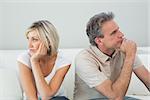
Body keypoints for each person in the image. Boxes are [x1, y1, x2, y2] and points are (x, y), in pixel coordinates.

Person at [74, 12, 150, 100]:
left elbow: (147, 79)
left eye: (118, 30)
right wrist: (129, 56)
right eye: (114, 32)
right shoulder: (84, 59)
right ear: (99, 41)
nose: (121, 34)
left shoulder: (122, 50)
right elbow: (116, 97)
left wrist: (129, 54)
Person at [17, 20, 71, 100]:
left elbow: (46, 96)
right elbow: (32, 98)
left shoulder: (63, 61)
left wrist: (34, 62)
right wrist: (33, 60)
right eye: (28, 39)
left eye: (34, 39)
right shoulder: (23, 59)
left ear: (48, 41)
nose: (29, 45)